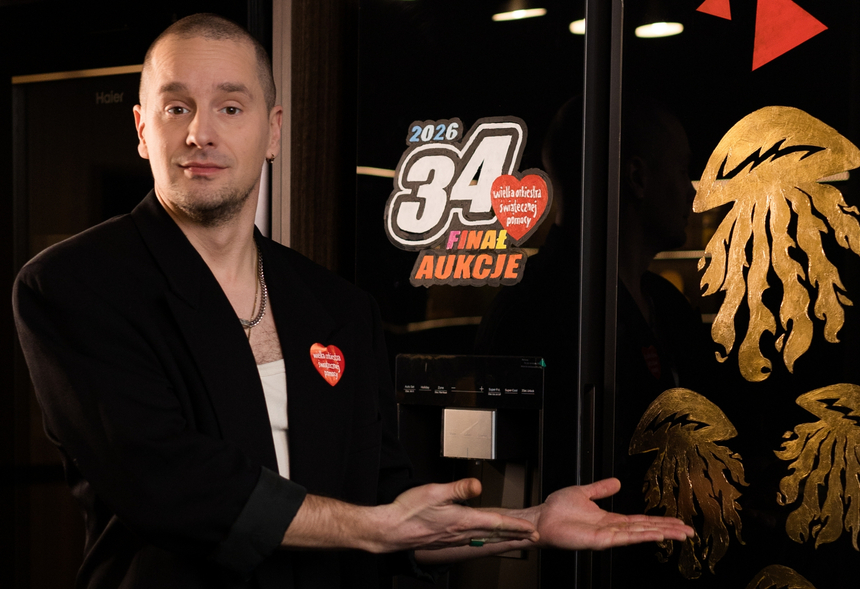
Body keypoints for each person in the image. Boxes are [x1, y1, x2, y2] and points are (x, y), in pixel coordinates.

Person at [12, 14, 693, 588]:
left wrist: (528, 524)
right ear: (142, 129)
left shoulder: (336, 307)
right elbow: (174, 484)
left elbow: (397, 514)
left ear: (273, 131)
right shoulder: (73, 287)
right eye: (176, 107)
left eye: (230, 106)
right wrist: (373, 528)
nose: (201, 133)